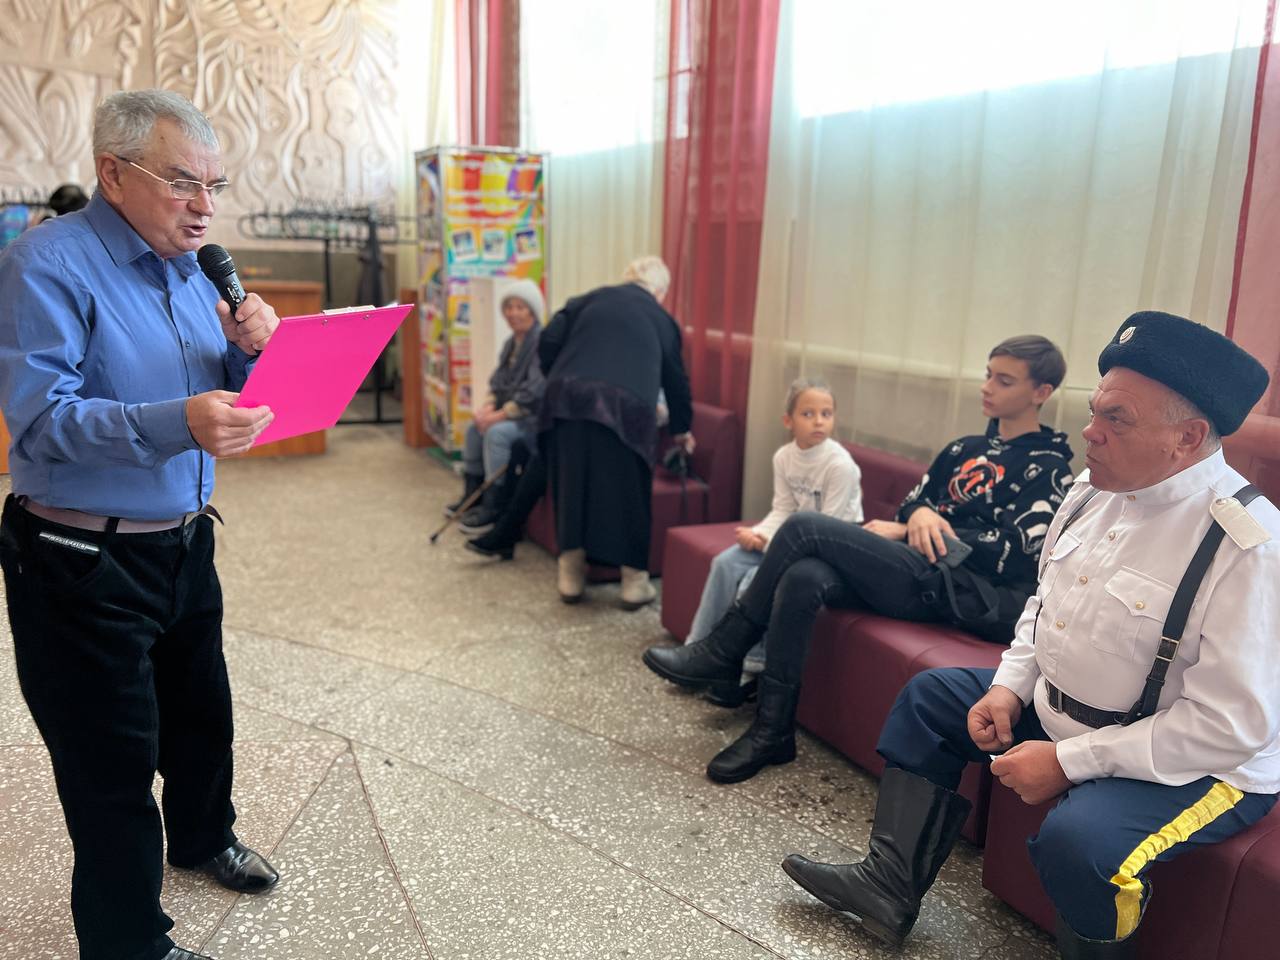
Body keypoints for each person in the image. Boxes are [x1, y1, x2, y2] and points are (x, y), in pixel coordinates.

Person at [780, 312, 1278, 959]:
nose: (1090, 432)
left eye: (1117, 418)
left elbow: (1229, 727)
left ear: (1187, 437)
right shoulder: (1092, 488)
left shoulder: (1246, 547)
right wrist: (1010, 688)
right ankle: (887, 887)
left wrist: (1069, 762)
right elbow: (1046, 602)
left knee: (1082, 844)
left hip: (1201, 762)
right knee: (931, 700)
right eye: (1094, 410)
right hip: (1072, 710)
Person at [0, 90, 282, 960]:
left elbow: (213, 388)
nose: (204, 207)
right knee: (110, 761)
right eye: (182, 182)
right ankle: (128, 943)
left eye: (215, 186)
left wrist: (251, 352)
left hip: (185, 538)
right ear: (113, 174)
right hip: (80, 555)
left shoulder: (195, 271)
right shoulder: (45, 263)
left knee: (202, 716)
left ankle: (202, 838)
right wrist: (177, 423)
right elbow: (41, 420)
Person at [644, 335, 1074, 783]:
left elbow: (1017, 554)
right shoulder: (962, 449)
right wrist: (918, 515)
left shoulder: (1050, 470)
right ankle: (772, 731)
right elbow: (912, 504)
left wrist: (916, 526)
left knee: (803, 527)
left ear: (1041, 392)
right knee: (804, 575)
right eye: (987, 374)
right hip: (914, 569)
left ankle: (724, 648)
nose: (987, 386)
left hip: (957, 589)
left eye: (1004, 380)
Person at [684, 377, 862, 697]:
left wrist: (767, 543)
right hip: (791, 538)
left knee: (753, 578)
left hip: (831, 548)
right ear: (788, 421)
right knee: (725, 562)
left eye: (826, 413)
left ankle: (750, 667)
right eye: (808, 414)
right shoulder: (783, 457)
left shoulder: (840, 466)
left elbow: (828, 529)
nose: (819, 421)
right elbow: (783, 509)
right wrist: (759, 533)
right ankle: (698, 650)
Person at [538, 256, 694, 608]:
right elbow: (676, 381)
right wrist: (682, 431)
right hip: (626, 406)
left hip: (567, 396)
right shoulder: (661, 319)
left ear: (627, 279)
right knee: (629, 491)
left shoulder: (586, 300)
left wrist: (560, 376)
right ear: (660, 291)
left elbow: (548, 341)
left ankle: (570, 577)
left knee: (570, 483)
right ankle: (633, 583)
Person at [443, 279, 547, 534]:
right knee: (473, 428)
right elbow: (498, 381)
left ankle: (495, 505)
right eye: (509, 307)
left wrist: (499, 416)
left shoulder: (541, 343)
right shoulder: (512, 343)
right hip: (509, 412)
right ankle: (473, 495)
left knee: (496, 434)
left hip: (532, 418)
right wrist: (487, 409)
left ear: (533, 311)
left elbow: (534, 391)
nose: (513, 313)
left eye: (520, 307)